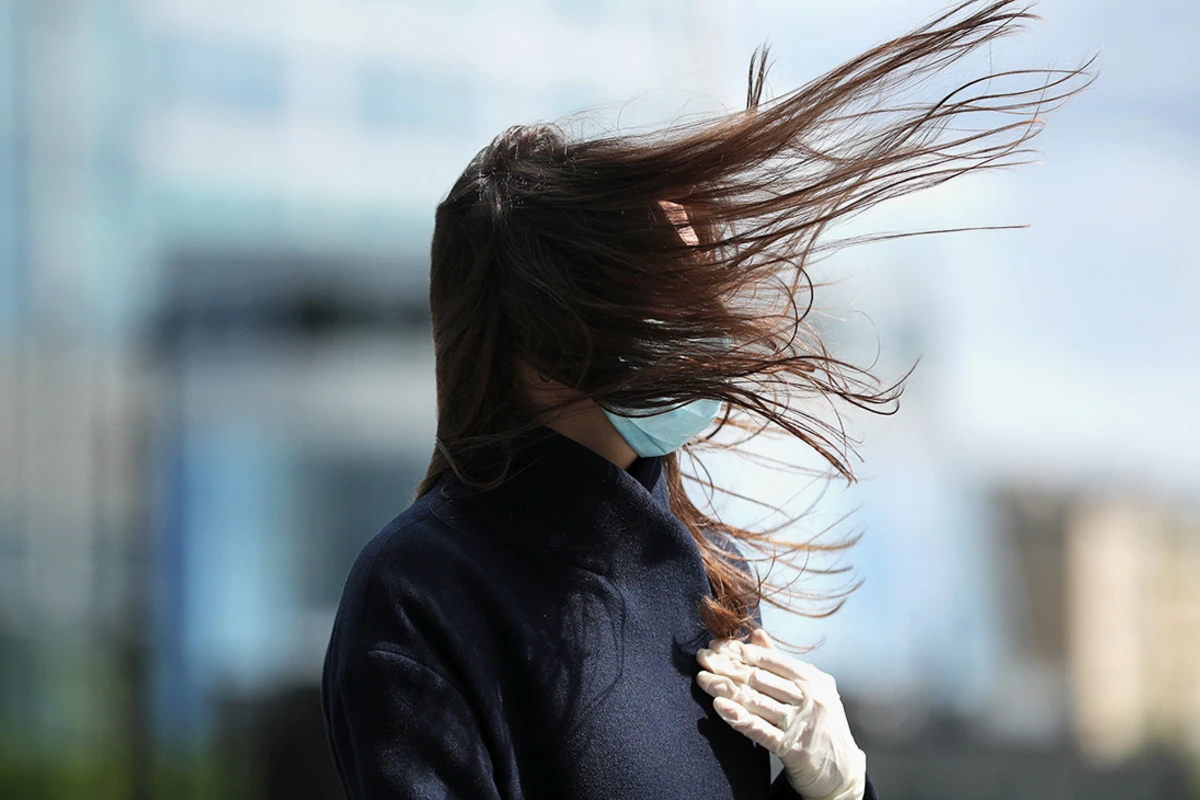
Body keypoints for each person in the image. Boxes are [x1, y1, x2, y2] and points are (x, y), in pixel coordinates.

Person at [321, 1, 1093, 797]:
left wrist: (833, 790)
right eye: (668, 298)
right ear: (545, 336)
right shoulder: (419, 591)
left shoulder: (714, 585)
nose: (707, 330)